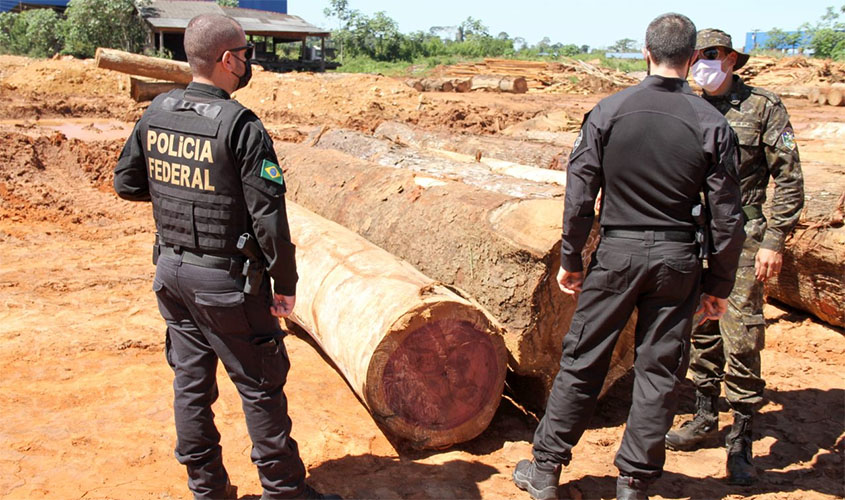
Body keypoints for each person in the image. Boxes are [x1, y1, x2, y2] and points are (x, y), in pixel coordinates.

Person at [511, 13, 745, 500]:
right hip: (679, 259)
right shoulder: (712, 123)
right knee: (659, 370)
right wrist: (719, 285)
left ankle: (547, 470)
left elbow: (579, 197)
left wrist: (571, 258)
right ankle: (634, 484)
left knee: (583, 359)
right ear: (692, 57)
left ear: (646, 52)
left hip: (618, 254)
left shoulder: (608, 111)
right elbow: (728, 218)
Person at [113, 14, 339, 500]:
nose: (248, 61)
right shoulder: (242, 126)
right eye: (245, 53)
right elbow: (269, 219)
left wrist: (181, 197)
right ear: (228, 59)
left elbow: (126, 183)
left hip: (171, 275)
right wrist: (285, 282)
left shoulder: (156, 110)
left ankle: (206, 489)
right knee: (260, 386)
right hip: (226, 284)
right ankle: (283, 491)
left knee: (191, 385)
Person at [666, 28, 805, 486]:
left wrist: (775, 239)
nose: (700, 63)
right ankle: (705, 415)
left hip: (744, 237)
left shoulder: (762, 107)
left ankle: (740, 437)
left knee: (741, 330)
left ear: (729, 59)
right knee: (700, 325)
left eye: (709, 54)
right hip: (692, 233)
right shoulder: (684, 103)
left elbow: (789, 177)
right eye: (695, 55)